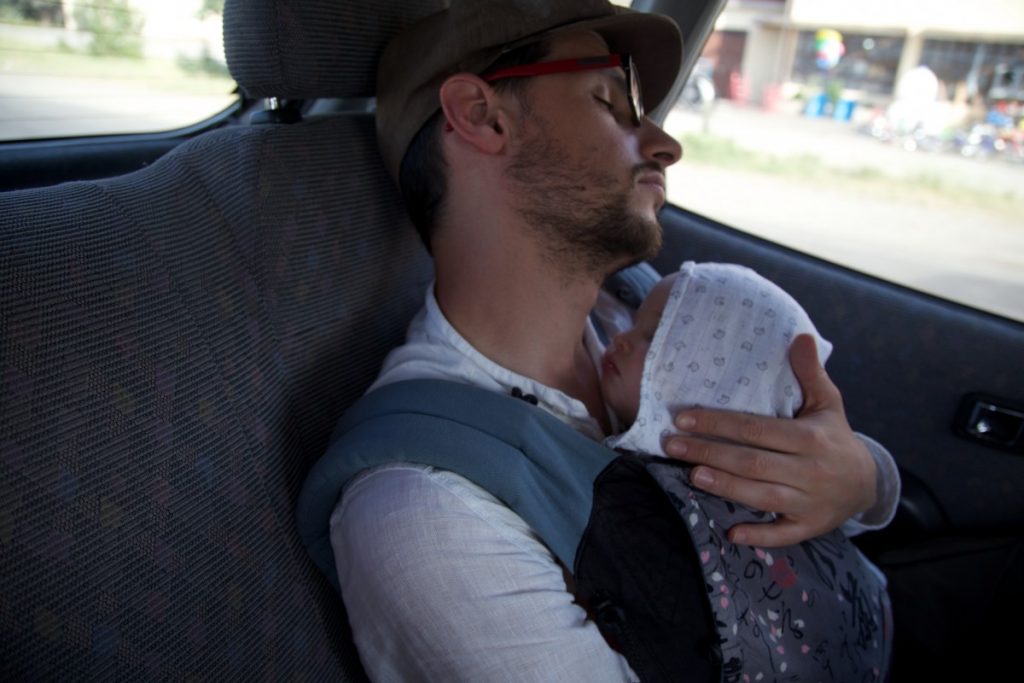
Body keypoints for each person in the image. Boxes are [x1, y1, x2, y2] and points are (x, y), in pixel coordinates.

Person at [325, 1, 900, 680]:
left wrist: (863, 478)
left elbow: (799, 495)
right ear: (481, 116)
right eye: (610, 102)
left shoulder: (637, 310)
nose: (664, 144)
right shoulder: (425, 514)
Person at [601, 260, 892, 679]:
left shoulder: (774, 478)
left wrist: (866, 478)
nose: (621, 338)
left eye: (654, 336)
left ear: (722, 386)